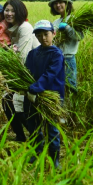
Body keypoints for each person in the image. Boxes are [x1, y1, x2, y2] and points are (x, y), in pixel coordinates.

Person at [24, 20, 64, 168]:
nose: (43, 38)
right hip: (32, 96)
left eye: (46, 34)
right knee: (33, 126)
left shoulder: (56, 54)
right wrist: (26, 88)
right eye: (39, 35)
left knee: (51, 128)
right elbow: (27, 72)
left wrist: (35, 88)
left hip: (51, 95)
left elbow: (50, 74)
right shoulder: (33, 53)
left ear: (53, 34)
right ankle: (37, 153)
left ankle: (55, 158)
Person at [1, 0, 40, 142]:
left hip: (29, 71)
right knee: (7, 101)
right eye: (7, 10)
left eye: (13, 10)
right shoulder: (10, 28)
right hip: (19, 70)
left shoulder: (25, 27)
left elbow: (23, 54)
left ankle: (35, 136)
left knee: (17, 104)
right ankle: (21, 135)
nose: (9, 13)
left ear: (20, 12)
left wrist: (15, 78)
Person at [49, 0, 83, 91]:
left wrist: (67, 28)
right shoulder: (55, 22)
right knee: (58, 87)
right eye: (55, 3)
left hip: (68, 59)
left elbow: (79, 36)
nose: (58, 5)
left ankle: (70, 106)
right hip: (56, 59)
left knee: (70, 87)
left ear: (67, 4)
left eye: (60, 2)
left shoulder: (75, 19)